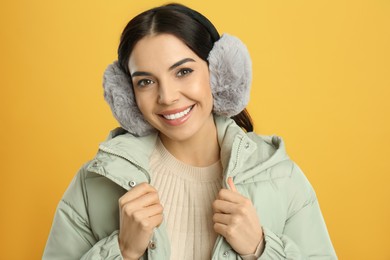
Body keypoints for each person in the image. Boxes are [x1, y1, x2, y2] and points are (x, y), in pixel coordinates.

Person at [43, 3, 337, 260]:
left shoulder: (279, 177)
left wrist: (259, 249)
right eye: (146, 81)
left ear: (220, 72)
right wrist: (122, 251)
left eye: (183, 71)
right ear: (127, 95)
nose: (167, 96)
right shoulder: (94, 183)